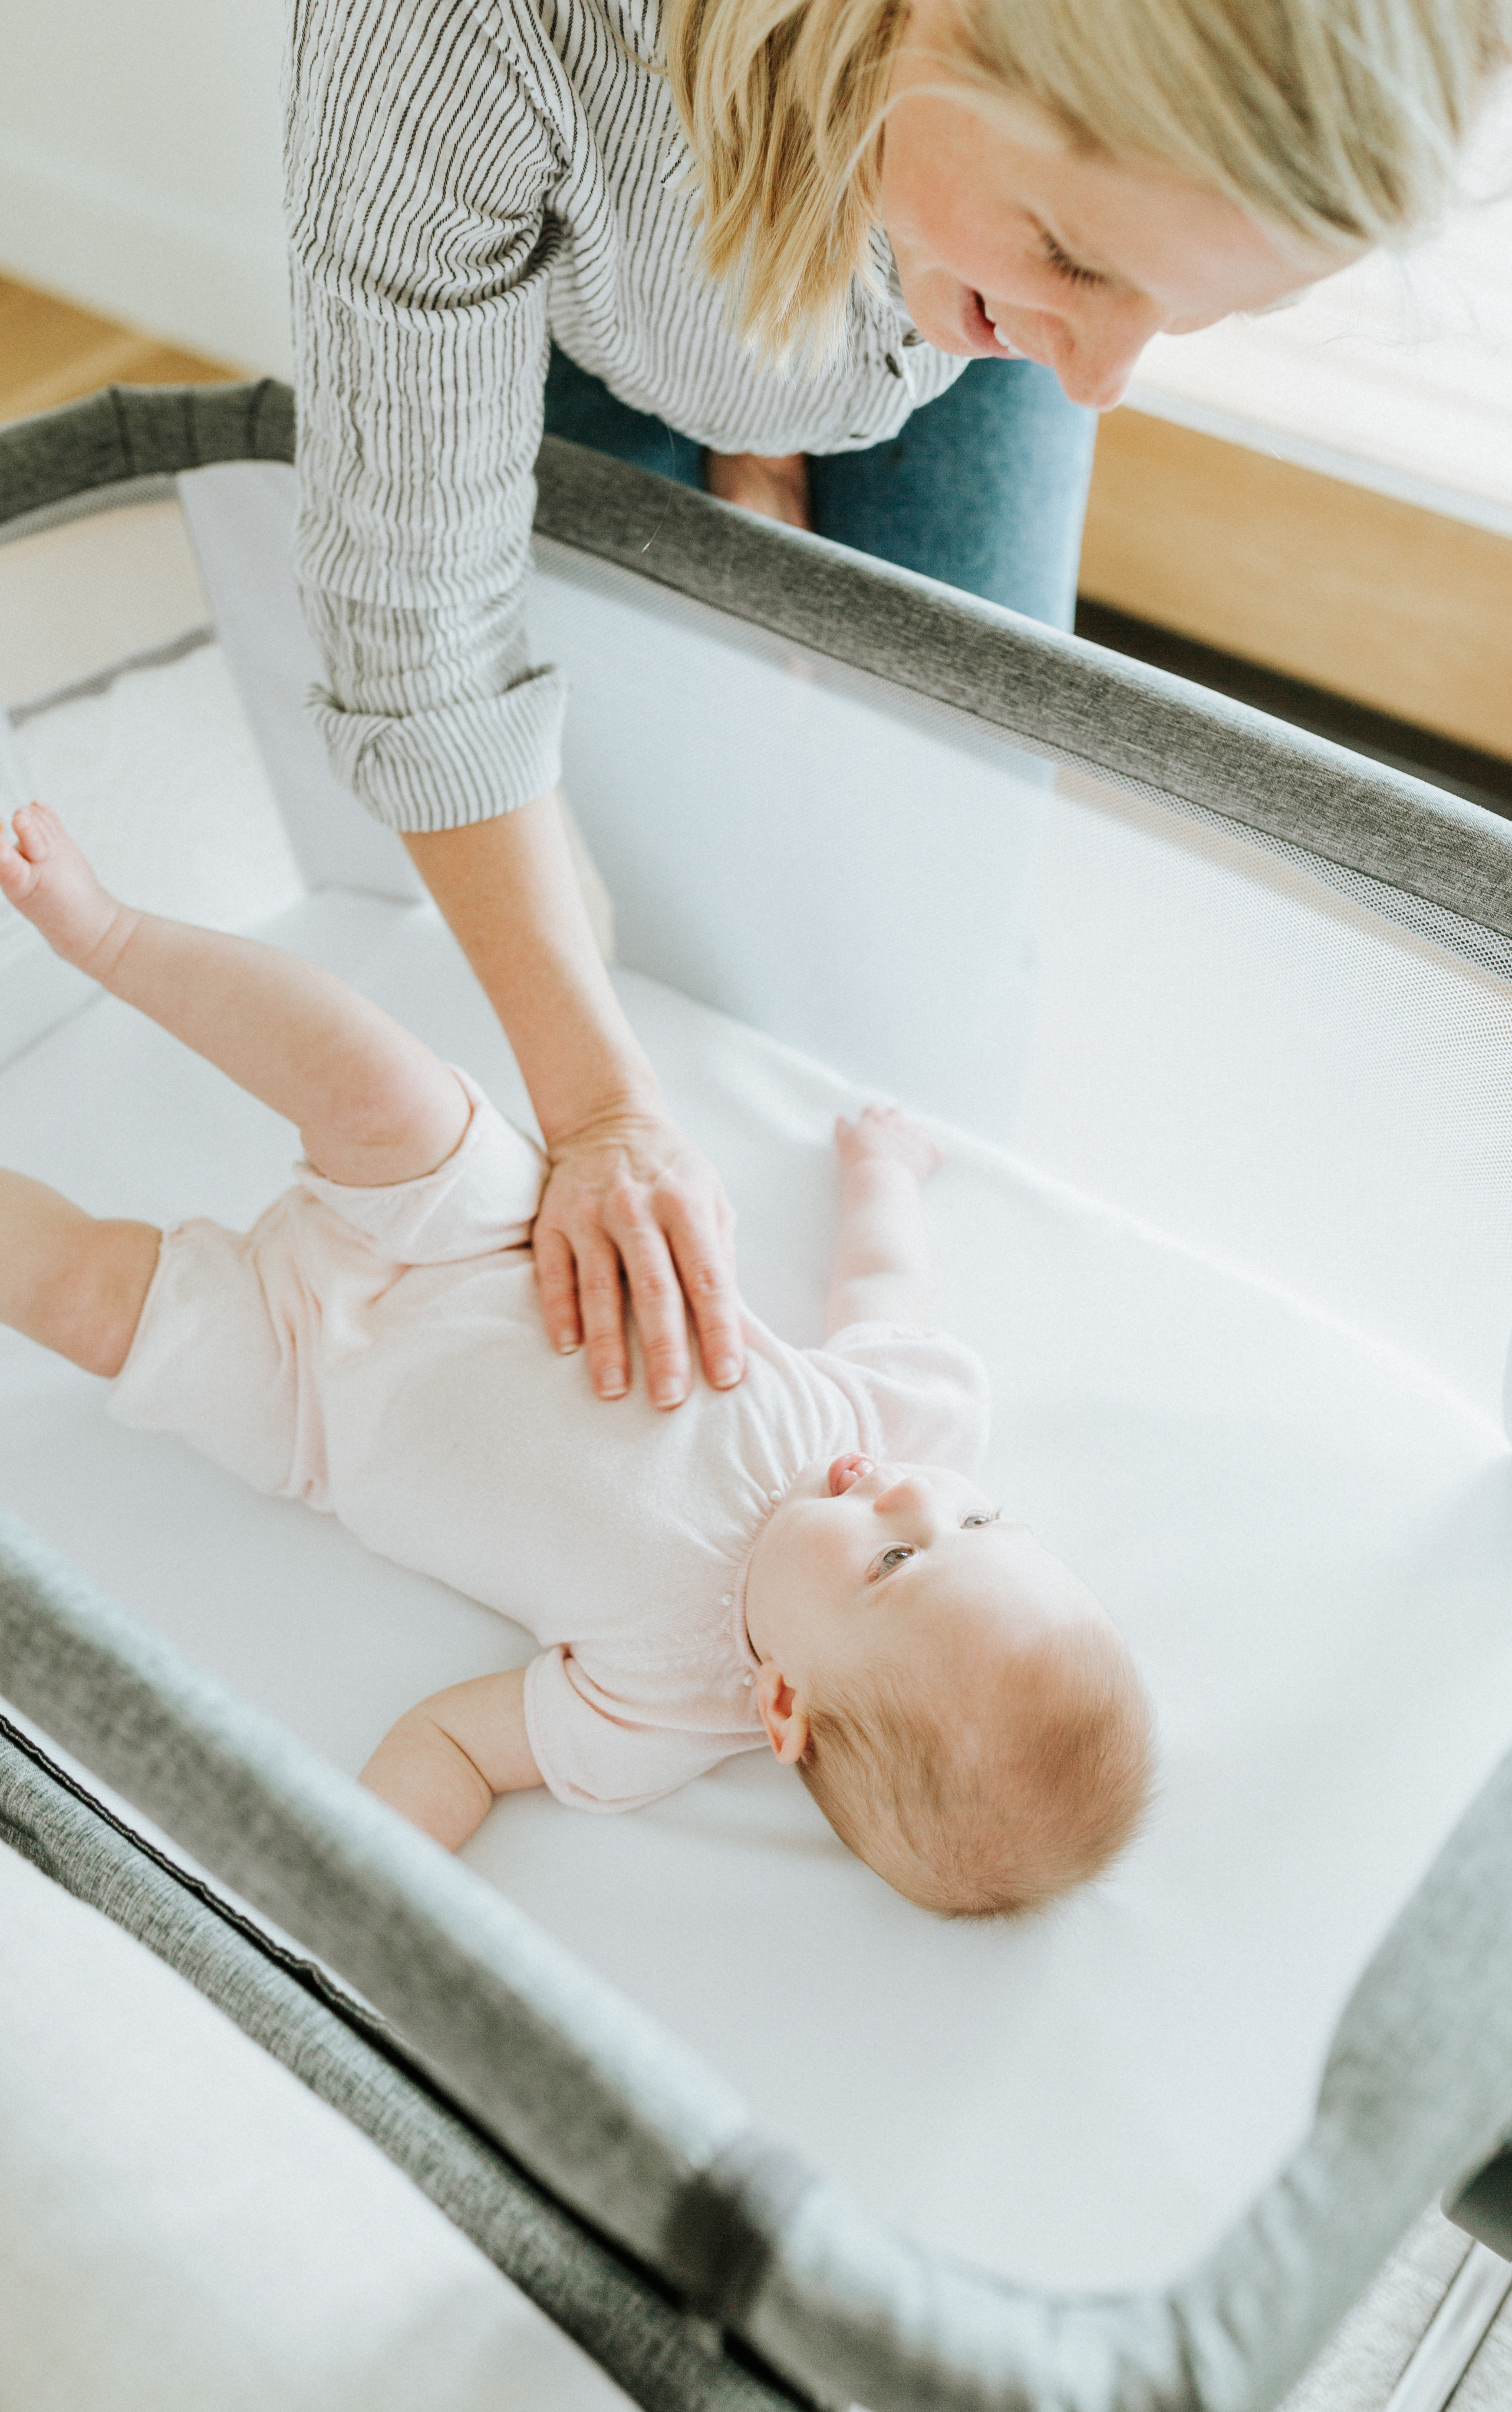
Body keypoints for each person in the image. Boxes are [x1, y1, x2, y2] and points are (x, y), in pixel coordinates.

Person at [284, 0, 1512, 1416]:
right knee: (664, 902)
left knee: (949, 907)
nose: (1107, 378)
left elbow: (1076, 302)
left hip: (917, 255)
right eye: (1079, 255)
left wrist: (1068, 266)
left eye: (1203, 305)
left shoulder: (1063, 267)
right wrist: (601, 1113)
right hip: (591, 289)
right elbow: (417, 628)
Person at [0, 802, 1151, 1918]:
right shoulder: (890, 1423)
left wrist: (351, 1892)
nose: (909, 1496)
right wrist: (885, 1178)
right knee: (376, 1080)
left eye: (891, 1563)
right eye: (982, 1522)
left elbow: (455, 1743)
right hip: (489, 1234)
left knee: (90, 1297)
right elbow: (883, 1291)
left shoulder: (657, 1713)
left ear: (787, 1703)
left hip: (309, 1401)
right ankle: (109, 932)